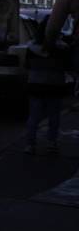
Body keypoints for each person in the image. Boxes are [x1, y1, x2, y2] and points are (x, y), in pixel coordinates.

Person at [24, 19, 69, 155]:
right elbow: (67, 66)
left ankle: (30, 144)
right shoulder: (62, 48)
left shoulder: (31, 48)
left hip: (36, 84)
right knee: (54, 116)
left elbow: (27, 66)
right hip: (55, 85)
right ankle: (51, 143)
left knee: (34, 116)